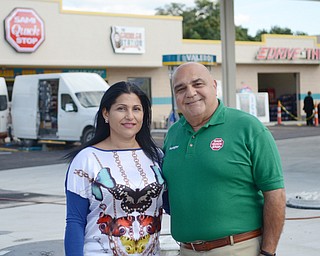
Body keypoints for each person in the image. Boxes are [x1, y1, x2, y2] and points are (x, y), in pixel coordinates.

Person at [162, 62, 286, 256]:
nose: (190, 92)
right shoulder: (172, 134)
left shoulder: (249, 128)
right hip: (186, 250)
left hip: (238, 249)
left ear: (214, 85)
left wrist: (268, 252)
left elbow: (275, 193)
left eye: (197, 84)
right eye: (181, 88)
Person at [64, 81, 165, 256]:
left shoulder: (156, 157)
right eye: (121, 109)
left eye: (136, 109)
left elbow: (173, 205)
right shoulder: (86, 159)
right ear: (106, 113)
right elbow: (75, 221)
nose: (130, 116)